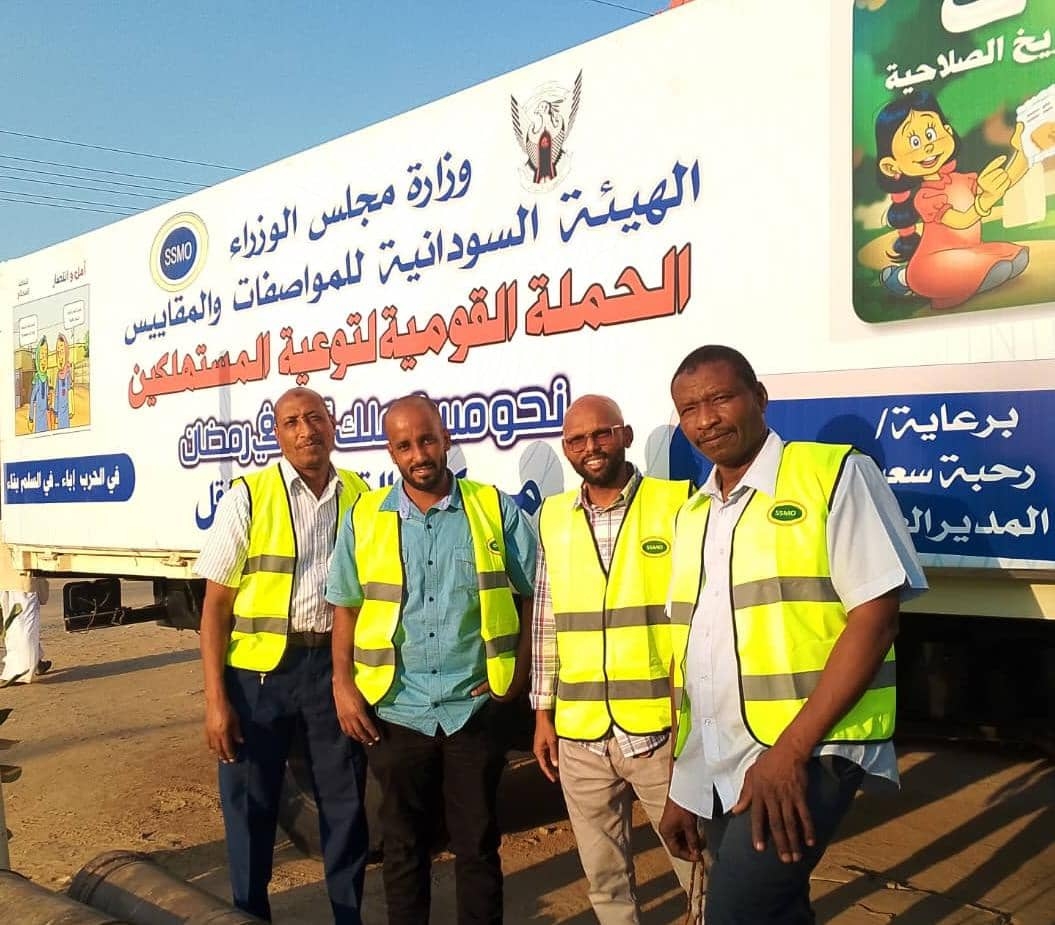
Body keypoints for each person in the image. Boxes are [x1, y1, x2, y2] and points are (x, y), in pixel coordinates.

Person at [658, 345, 928, 924]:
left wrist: (789, 752)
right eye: (689, 409)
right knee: (776, 911)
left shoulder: (834, 474)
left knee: (737, 913)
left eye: (720, 398)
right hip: (723, 753)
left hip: (810, 749)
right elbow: (693, 658)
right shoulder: (693, 515)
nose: (705, 420)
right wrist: (684, 782)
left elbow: (877, 619)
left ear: (759, 397)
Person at [327, 395, 537, 925]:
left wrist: (518, 672)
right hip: (396, 708)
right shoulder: (365, 517)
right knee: (403, 847)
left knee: (478, 844)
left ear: (446, 439)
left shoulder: (492, 509)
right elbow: (346, 605)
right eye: (404, 445)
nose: (418, 454)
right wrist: (343, 685)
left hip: (473, 707)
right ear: (391, 452)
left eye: (426, 440)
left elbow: (536, 593)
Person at [194, 387, 371, 924]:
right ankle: (250, 914)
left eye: (315, 417)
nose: (306, 430)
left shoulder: (360, 495)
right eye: (292, 421)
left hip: (333, 670)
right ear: (277, 435)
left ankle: (348, 916)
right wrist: (216, 700)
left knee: (345, 803)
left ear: (332, 424)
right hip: (258, 678)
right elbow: (215, 607)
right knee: (251, 806)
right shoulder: (248, 497)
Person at [531, 395, 693, 924]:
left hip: (658, 730)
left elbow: (698, 620)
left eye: (601, 434)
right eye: (577, 439)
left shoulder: (677, 504)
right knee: (604, 876)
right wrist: (543, 714)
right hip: (580, 734)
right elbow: (546, 622)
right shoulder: (552, 516)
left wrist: (690, 721)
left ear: (625, 435)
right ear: (566, 449)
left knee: (695, 862)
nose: (591, 447)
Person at [875, 90, 1029, 309]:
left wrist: (1023, 150)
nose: (928, 146)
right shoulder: (925, 196)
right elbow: (960, 221)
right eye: (915, 142)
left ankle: (968, 276)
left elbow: (1006, 180)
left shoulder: (961, 180)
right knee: (996, 266)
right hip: (933, 264)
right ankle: (910, 279)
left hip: (966, 252)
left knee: (1016, 255)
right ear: (892, 166)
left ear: (947, 132)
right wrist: (985, 200)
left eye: (930, 134)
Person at [0, 540, 50, 687]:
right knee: (18, 624)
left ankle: (26, 667)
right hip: (14, 573)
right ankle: (28, 666)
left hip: (14, 573)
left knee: (19, 624)